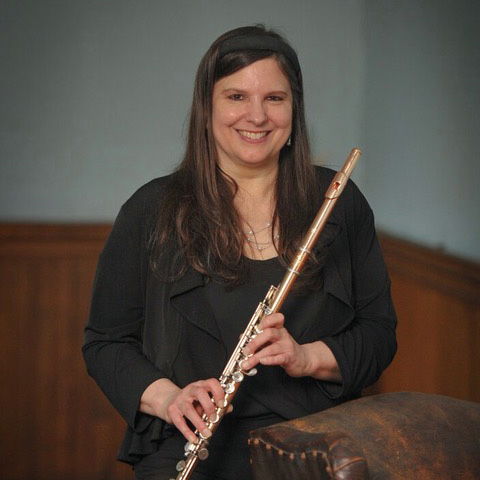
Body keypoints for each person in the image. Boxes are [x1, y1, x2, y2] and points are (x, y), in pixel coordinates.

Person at [83, 25, 397, 480]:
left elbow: (379, 335)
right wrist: (170, 399)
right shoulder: (151, 210)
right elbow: (105, 343)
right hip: (189, 445)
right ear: (206, 108)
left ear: (294, 109)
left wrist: (306, 357)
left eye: (274, 98)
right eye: (236, 97)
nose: (257, 115)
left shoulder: (338, 202)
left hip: (315, 448)